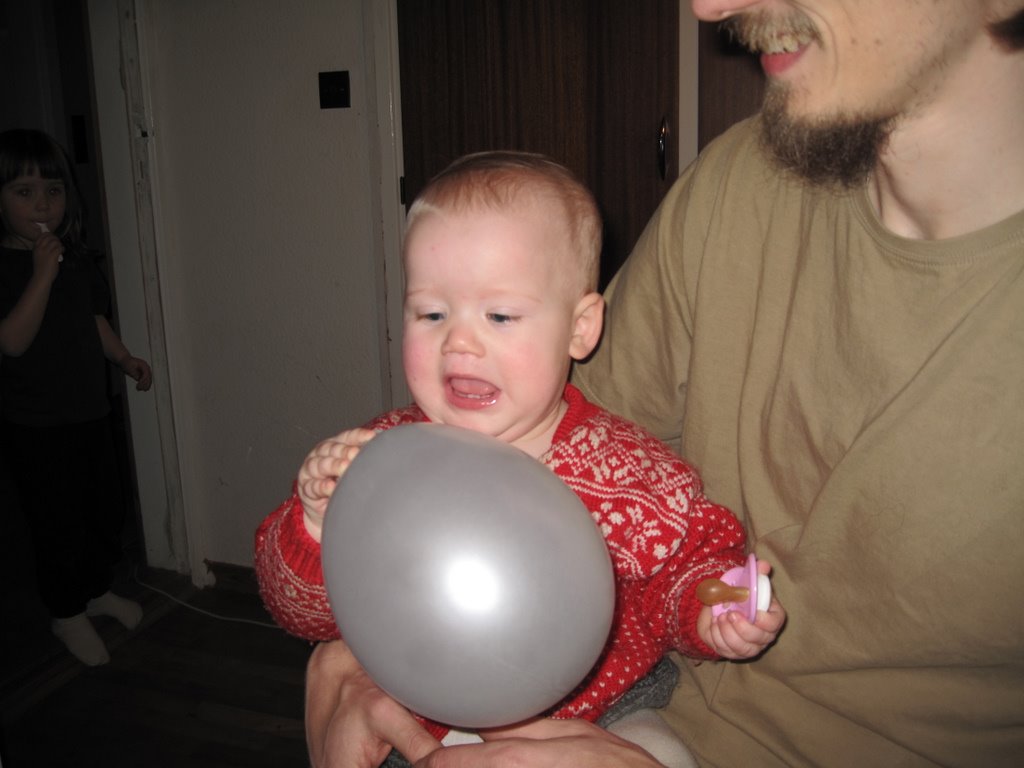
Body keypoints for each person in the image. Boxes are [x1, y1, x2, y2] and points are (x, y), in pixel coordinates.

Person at [299, 1, 1024, 766]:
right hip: (615, 709)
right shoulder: (742, 179)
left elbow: (673, 546)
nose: (708, 6)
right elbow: (550, 479)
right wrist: (370, 643)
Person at [254, 151, 786, 767]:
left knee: (667, 757)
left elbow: (688, 566)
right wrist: (315, 524)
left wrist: (713, 607)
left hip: (598, 714)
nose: (459, 341)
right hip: (415, 712)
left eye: (500, 315)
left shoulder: (626, 472)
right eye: (432, 313)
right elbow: (301, 614)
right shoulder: (377, 462)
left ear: (580, 328)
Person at [0, 128, 153, 666]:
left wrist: (124, 358)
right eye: (24, 192)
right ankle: (65, 613)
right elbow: (12, 342)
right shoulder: (11, 267)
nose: (43, 205)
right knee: (56, 522)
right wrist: (43, 273)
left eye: (53, 190)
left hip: (89, 410)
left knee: (101, 510)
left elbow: (93, 320)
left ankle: (94, 590)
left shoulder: (78, 259)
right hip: (35, 424)